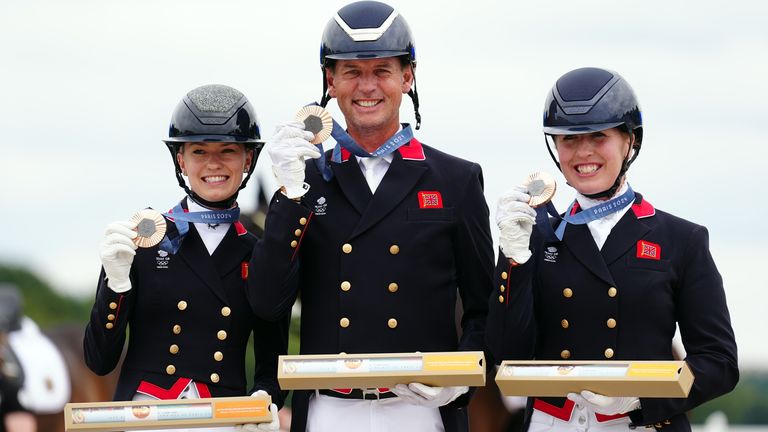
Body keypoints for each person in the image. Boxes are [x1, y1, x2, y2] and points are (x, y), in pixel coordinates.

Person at [247, 2, 494, 431]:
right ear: (330, 81)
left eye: (382, 70)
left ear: (407, 77)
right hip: (329, 409)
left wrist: (461, 379)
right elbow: (267, 302)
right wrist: (288, 195)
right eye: (351, 72)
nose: (367, 86)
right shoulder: (306, 180)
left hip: (422, 409)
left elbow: (483, 307)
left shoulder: (457, 179)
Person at [485, 67, 738, 431]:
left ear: (629, 141)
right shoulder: (535, 235)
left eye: (599, 137)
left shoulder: (681, 240)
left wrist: (642, 397)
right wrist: (514, 258)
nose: (583, 153)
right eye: (569, 139)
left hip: (641, 423)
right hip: (552, 424)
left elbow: (719, 361)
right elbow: (507, 352)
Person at [83, 84, 286, 431]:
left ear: (247, 159)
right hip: (146, 415)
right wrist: (114, 283)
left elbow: (271, 365)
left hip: (223, 418)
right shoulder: (146, 238)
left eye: (228, 150)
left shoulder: (259, 253)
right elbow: (99, 360)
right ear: (181, 159)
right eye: (199, 152)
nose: (214, 164)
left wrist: (265, 398)